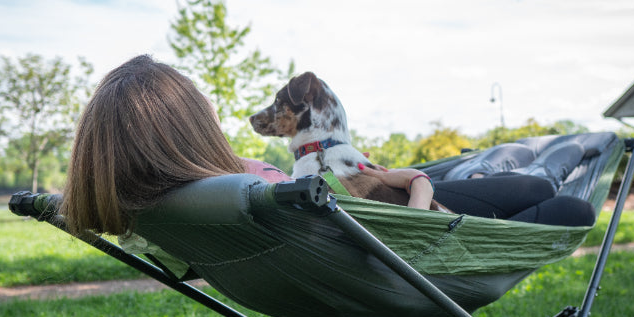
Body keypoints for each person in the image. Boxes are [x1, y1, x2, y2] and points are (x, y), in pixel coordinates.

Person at [61, 55, 592, 240]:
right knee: (556, 192)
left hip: (376, 194)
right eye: (205, 112)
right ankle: (571, 150)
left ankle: (485, 173)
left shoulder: (169, 204)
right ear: (189, 130)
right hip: (415, 220)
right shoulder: (257, 189)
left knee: (485, 167)